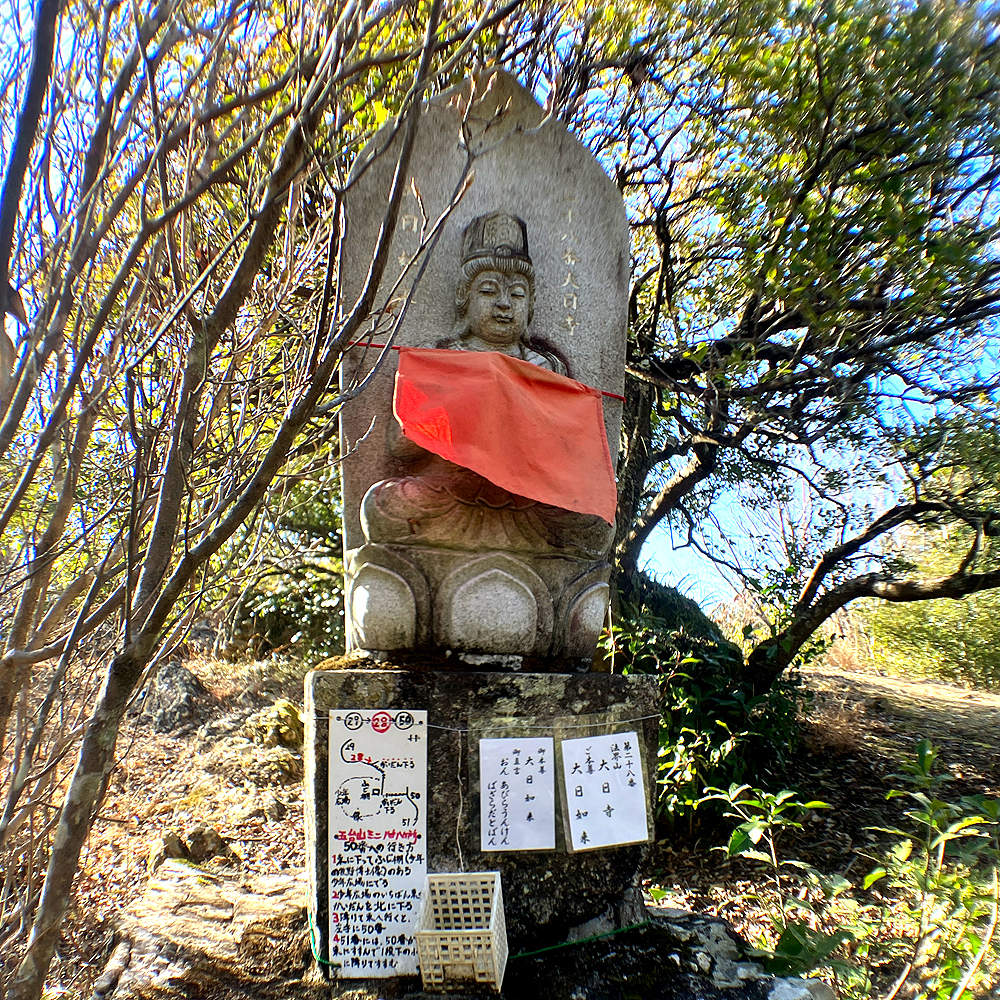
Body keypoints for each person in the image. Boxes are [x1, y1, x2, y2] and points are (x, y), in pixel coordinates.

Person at [360, 212, 613, 560]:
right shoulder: (443, 360)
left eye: (517, 294)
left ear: (530, 305)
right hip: (449, 494)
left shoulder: (546, 368)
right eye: (489, 290)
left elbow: (570, 455)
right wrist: (461, 406)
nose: (504, 304)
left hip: (530, 504)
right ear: (465, 299)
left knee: (594, 525)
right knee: (384, 504)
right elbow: (401, 444)